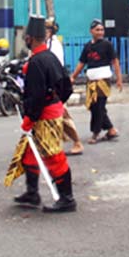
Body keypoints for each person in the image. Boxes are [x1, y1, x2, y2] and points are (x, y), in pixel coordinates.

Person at [11, 16, 76, 213]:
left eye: (26, 38)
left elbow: (37, 96)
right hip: (50, 110)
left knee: (53, 155)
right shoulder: (49, 57)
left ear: (30, 38)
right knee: (29, 153)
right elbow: (66, 87)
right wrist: (57, 103)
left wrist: (29, 119)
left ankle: (67, 198)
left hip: (43, 115)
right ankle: (32, 193)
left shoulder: (38, 62)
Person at [69, 19, 122, 144]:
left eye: (102, 30)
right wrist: (73, 77)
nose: (100, 32)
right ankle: (111, 129)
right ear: (91, 31)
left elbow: (115, 61)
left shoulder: (107, 45)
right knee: (94, 107)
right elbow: (82, 63)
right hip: (91, 81)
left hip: (102, 81)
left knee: (98, 106)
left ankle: (95, 133)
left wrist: (119, 79)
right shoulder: (88, 46)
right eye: (97, 30)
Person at [46, 17, 83, 156]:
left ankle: (77, 142)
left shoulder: (54, 44)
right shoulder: (47, 43)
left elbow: (54, 65)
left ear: (50, 31)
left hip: (56, 82)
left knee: (62, 113)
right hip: (52, 81)